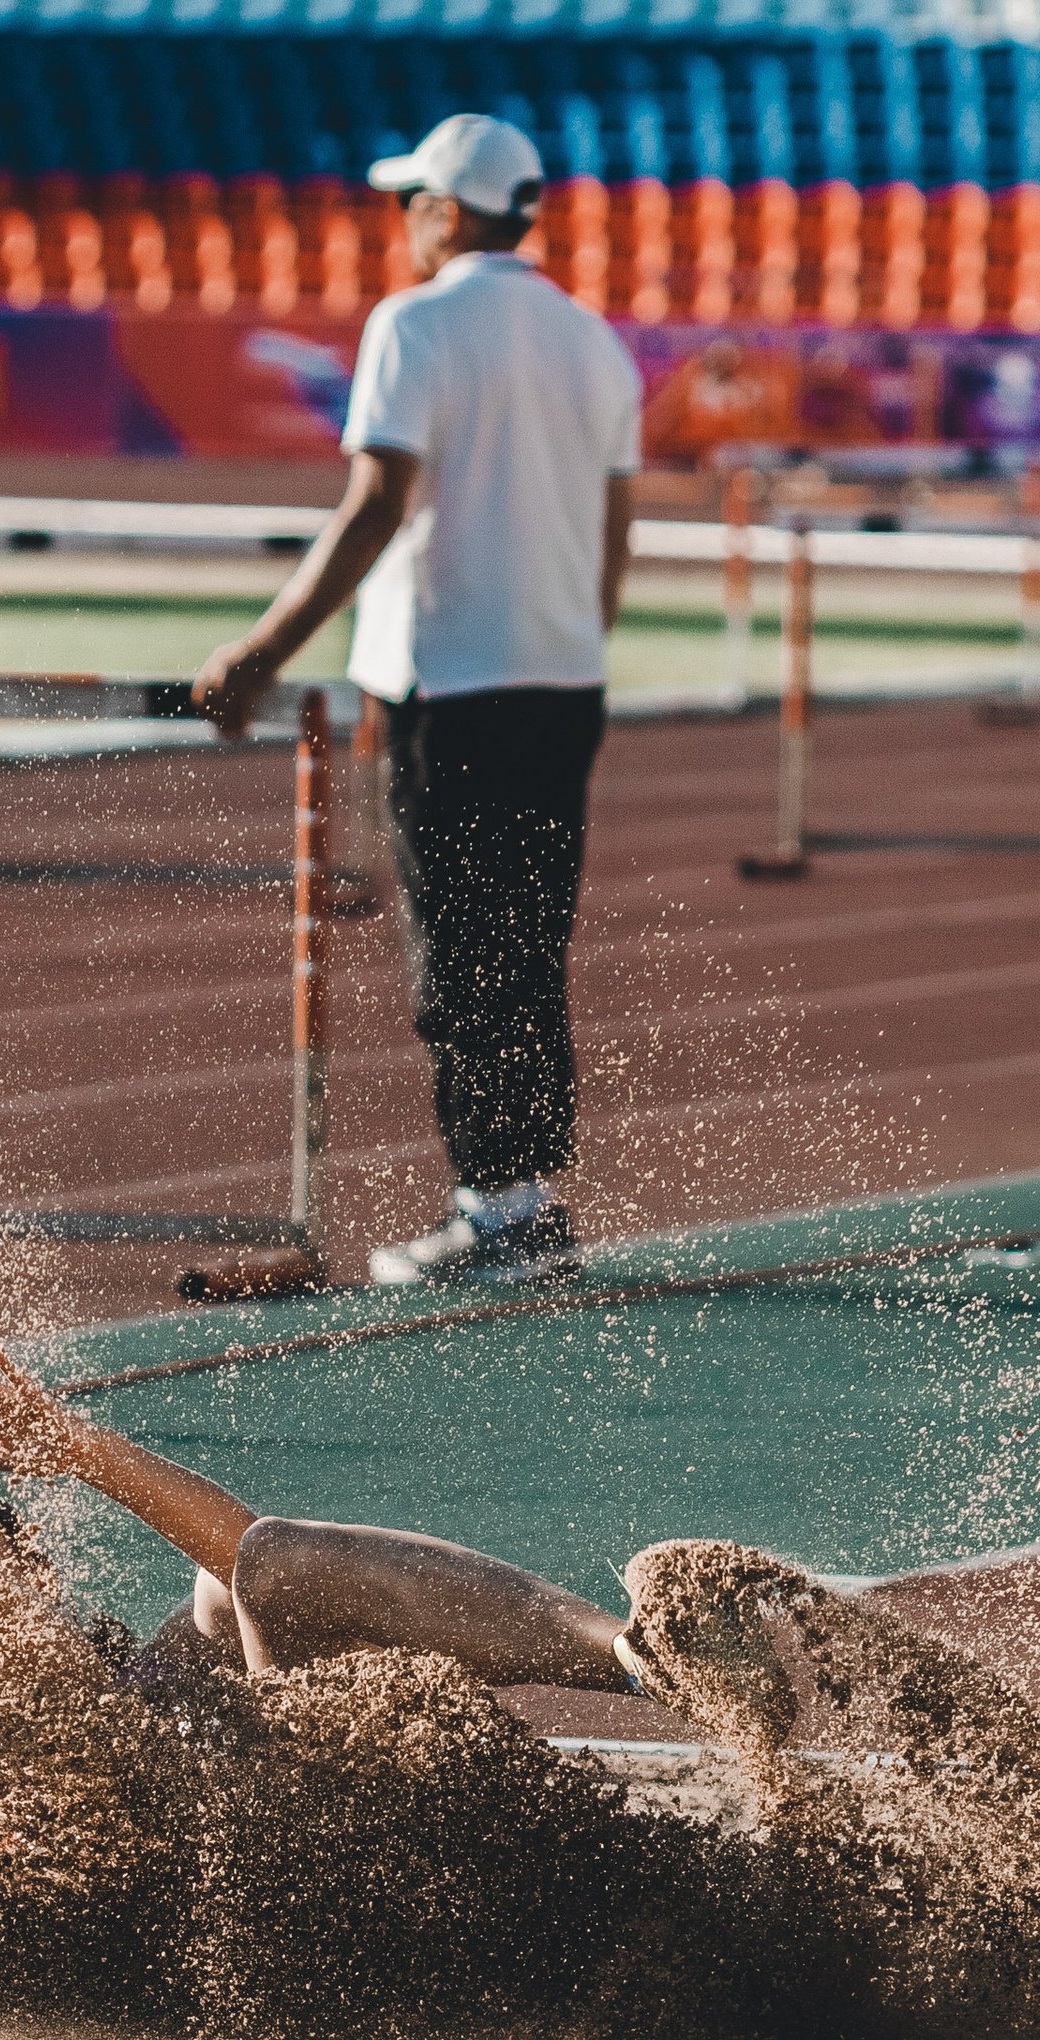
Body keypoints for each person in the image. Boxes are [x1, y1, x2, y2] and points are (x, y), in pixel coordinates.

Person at [191, 111, 641, 1295]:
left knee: (459, 953)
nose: (400, 224)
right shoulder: (593, 341)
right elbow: (612, 534)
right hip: (561, 681)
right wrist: (571, 638)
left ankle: (497, 1210)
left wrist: (262, 646)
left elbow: (376, 505)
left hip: (457, 682)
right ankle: (527, 1202)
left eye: (409, 204)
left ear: (445, 210)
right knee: (529, 944)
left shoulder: (414, 325)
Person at [0, 1351, 681, 1710]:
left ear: (33, 1563)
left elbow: (242, 1551)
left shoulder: (160, 1677)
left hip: (341, 1878)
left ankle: (649, 1660)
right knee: (29, 1734)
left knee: (252, 1570)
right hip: (159, 1940)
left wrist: (82, 1453)